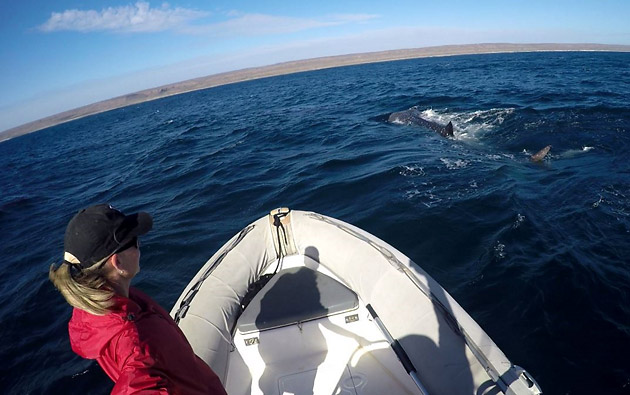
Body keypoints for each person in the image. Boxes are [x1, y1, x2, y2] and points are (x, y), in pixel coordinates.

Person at [49, 204, 227, 394]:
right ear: (118, 262)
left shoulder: (102, 305)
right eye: (134, 241)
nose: (139, 245)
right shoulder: (133, 340)